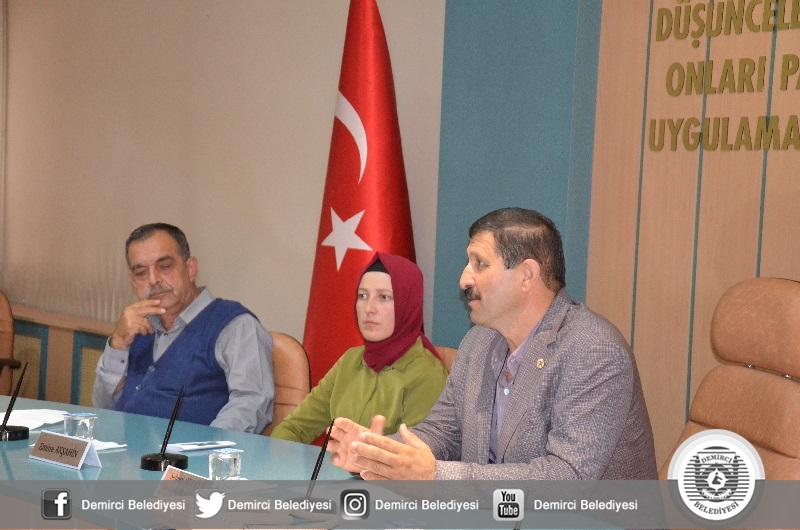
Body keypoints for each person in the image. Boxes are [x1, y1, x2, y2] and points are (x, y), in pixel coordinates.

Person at [328, 207, 657, 480]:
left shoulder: (594, 350)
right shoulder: (479, 341)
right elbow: (442, 433)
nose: (464, 279)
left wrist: (437, 477)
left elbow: (566, 477)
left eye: (480, 264)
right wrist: (374, 452)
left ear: (527, 275)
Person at [92, 223, 274, 433]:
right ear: (133, 281)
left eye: (164, 266)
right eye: (141, 272)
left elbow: (251, 404)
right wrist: (117, 344)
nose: (153, 280)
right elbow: (102, 409)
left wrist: (204, 449)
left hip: (191, 452)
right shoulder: (137, 326)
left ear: (190, 269)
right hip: (124, 450)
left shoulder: (235, 325)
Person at [271, 252, 447, 444]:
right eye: (362, 296)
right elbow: (295, 427)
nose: (369, 308)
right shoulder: (350, 360)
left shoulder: (429, 374)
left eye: (384, 297)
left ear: (407, 304)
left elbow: (413, 454)